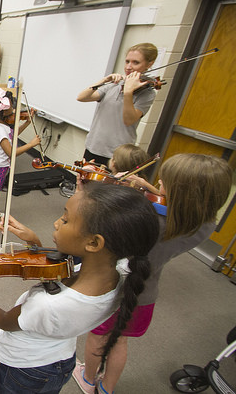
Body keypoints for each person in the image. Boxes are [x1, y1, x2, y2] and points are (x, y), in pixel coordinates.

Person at [0, 182, 160, 394]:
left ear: (94, 243)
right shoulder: (122, 270)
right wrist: (34, 243)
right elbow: (53, 268)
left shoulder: (48, 304)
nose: (56, 223)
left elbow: (3, 320)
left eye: (65, 220)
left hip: (23, 370)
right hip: (61, 360)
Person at [72, 153, 232, 394]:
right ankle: (107, 388)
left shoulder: (147, 219)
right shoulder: (204, 224)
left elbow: (82, 227)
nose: (158, 183)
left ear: (180, 192)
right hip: (144, 294)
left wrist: (83, 193)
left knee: (98, 337)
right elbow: (168, 209)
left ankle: (88, 377)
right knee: (119, 341)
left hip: (112, 288)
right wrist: (145, 188)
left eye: (163, 181)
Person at [76, 43, 158, 166]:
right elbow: (82, 97)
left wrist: (128, 92)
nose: (129, 67)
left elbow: (128, 120)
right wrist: (103, 81)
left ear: (149, 64)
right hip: (94, 146)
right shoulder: (114, 84)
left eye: (135, 62)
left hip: (117, 155)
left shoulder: (147, 93)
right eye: (127, 61)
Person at [0, 86, 40, 235]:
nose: (14, 113)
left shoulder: (2, 124)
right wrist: (30, 144)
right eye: (11, 110)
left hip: (2, 165)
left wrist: (26, 123)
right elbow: (11, 152)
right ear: (2, 111)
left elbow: (12, 135)